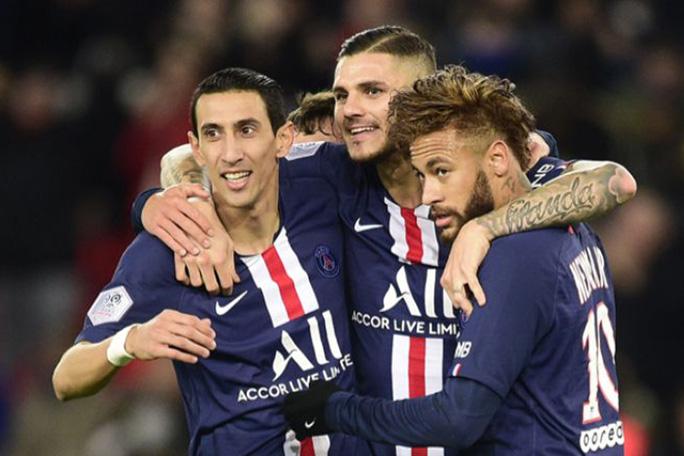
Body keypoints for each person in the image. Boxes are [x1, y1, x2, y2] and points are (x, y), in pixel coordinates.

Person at [135, 26, 636, 456]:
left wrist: (486, 227)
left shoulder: (483, 170)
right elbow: (198, 156)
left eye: (372, 91)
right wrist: (166, 203)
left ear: (421, 97)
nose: (350, 110)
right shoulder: (331, 173)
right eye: (342, 95)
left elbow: (614, 181)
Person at [283, 64, 627, 454]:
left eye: (442, 171)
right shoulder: (578, 230)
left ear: (497, 159)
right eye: (422, 175)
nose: (428, 194)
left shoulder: (515, 255)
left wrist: (335, 409)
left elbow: (457, 418)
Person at [52, 67, 363, 455]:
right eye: (213, 134)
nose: (230, 154)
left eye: (247, 130)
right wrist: (130, 341)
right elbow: (66, 378)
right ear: (197, 148)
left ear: (283, 139)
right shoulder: (169, 248)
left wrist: (148, 201)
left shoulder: (322, 189)